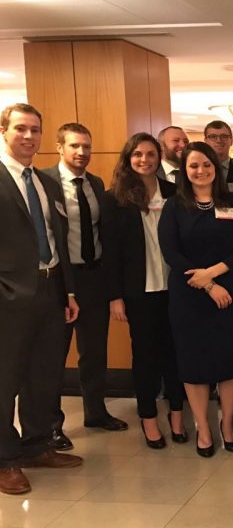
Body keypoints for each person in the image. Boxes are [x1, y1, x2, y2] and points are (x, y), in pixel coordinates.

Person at [0, 103, 82, 495]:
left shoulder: (46, 183)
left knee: (44, 376)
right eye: (20, 128)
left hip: (51, 290)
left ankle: (36, 445)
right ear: (3, 131)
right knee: (5, 380)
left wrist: (67, 290)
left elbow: (58, 241)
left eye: (35, 129)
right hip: (8, 296)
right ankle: (4, 459)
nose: (29, 136)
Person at [158, 141, 233, 457]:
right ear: (185, 171)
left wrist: (214, 273)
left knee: (229, 361)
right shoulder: (174, 206)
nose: (201, 171)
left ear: (216, 167)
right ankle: (203, 426)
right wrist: (209, 285)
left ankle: (227, 424)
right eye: (194, 165)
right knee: (193, 362)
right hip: (190, 296)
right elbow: (171, 252)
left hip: (232, 294)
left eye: (207, 164)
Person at [42, 123, 127, 452]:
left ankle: (95, 411)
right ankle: (51, 425)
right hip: (60, 279)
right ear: (60, 147)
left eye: (87, 147)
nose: (82, 153)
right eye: (75, 146)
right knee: (55, 354)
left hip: (93, 278)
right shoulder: (44, 182)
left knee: (94, 351)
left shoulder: (95, 183)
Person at [102, 132, 186, 450]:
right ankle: (149, 418)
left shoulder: (173, 192)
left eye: (151, 154)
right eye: (138, 154)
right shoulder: (115, 198)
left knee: (176, 355)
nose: (145, 160)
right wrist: (115, 296)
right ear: (128, 158)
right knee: (146, 358)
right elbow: (110, 252)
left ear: (158, 157)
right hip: (140, 292)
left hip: (175, 288)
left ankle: (177, 414)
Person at [204, 120, 233, 188]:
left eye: (224, 136)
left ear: (231, 141)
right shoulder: (199, 169)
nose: (219, 140)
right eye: (213, 136)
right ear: (206, 141)